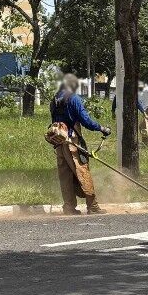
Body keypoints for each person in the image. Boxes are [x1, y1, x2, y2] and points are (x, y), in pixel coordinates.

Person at [51, 73, 111, 215]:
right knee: (82, 172)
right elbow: (86, 121)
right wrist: (102, 128)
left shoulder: (53, 100)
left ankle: (69, 207)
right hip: (72, 143)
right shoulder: (74, 99)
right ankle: (93, 206)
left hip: (59, 143)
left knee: (65, 176)